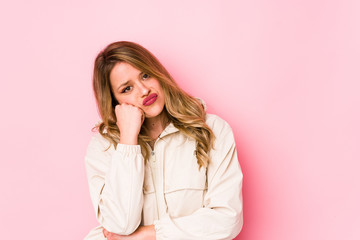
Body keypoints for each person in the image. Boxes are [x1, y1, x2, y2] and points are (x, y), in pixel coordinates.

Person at [84, 41, 243, 240]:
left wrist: (146, 235)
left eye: (145, 75)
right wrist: (127, 142)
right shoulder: (104, 147)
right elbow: (119, 224)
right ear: (115, 101)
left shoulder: (213, 130)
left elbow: (228, 220)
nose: (143, 90)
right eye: (127, 89)